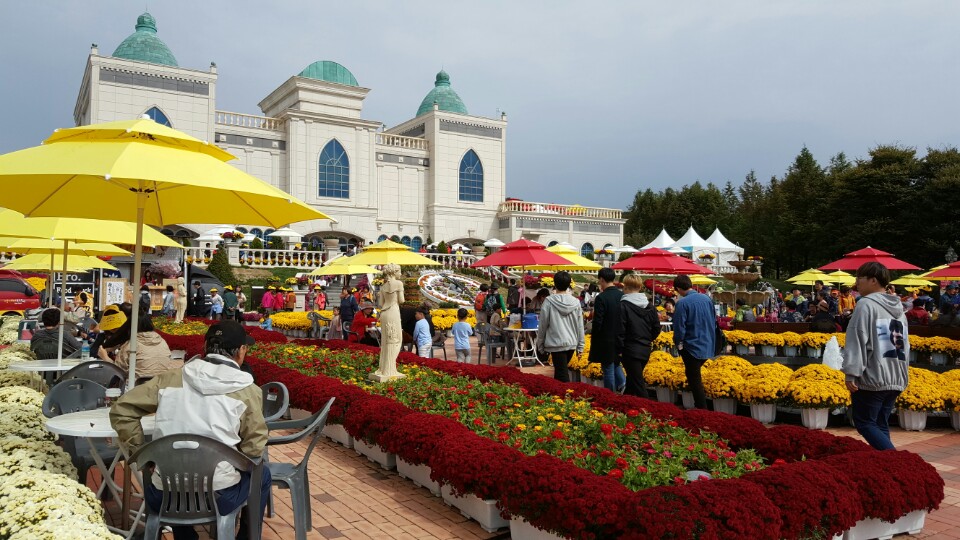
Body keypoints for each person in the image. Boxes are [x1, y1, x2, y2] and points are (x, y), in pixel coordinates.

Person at [110, 320, 271, 540]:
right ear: (241, 351)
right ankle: (246, 536)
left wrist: (142, 453)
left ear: (205, 347)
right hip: (219, 496)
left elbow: (122, 410)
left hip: (163, 495)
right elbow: (254, 447)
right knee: (263, 474)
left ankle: (185, 535)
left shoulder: (169, 379)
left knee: (175, 469)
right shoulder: (247, 390)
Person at [842, 262, 909, 450]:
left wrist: (851, 372)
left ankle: (898, 464)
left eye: (859, 278)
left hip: (873, 378)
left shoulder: (865, 305)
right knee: (880, 424)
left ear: (873, 280)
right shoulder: (899, 310)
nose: (856, 283)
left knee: (865, 423)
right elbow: (904, 345)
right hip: (895, 375)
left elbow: (856, 339)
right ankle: (888, 467)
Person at [672, 274, 716, 410]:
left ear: (678, 288)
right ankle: (701, 406)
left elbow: (679, 328)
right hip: (708, 343)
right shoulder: (707, 299)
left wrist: (679, 344)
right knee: (694, 376)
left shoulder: (682, 303)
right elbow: (714, 319)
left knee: (694, 378)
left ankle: (701, 408)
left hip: (691, 346)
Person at [535, 271, 584, 383]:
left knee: (562, 375)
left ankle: (566, 397)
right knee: (559, 372)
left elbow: (542, 325)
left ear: (555, 284)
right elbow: (580, 325)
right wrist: (580, 346)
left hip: (555, 343)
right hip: (571, 343)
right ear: (569, 284)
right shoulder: (576, 302)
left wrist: (540, 344)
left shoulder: (549, 301)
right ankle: (558, 397)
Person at [618, 274, 660, 397]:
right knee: (632, 380)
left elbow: (620, 329)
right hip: (645, 348)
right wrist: (647, 339)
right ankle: (623, 405)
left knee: (638, 383)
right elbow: (657, 328)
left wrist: (619, 348)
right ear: (640, 287)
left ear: (625, 287)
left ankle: (648, 410)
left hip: (629, 348)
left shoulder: (623, 305)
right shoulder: (650, 306)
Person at [106, 311, 176, 380]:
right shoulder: (162, 342)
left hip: (138, 387)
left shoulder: (131, 344)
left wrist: (105, 357)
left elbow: (118, 372)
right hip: (162, 385)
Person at [589, 267, 624, 392]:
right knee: (615, 363)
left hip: (606, 337)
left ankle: (610, 394)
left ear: (602, 280)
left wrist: (594, 334)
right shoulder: (622, 295)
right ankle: (623, 384)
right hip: (620, 336)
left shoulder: (601, 298)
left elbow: (598, 321)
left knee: (608, 367)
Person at [374, 264, 404, 378]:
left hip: (384, 312)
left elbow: (381, 303)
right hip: (393, 311)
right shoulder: (399, 284)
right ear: (393, 272)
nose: (400, 274)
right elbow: (401, 300)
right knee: (395, 340)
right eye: (399, 271)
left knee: (386, 341)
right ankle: (390, 370)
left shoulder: (383, 287)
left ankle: (385, 368)